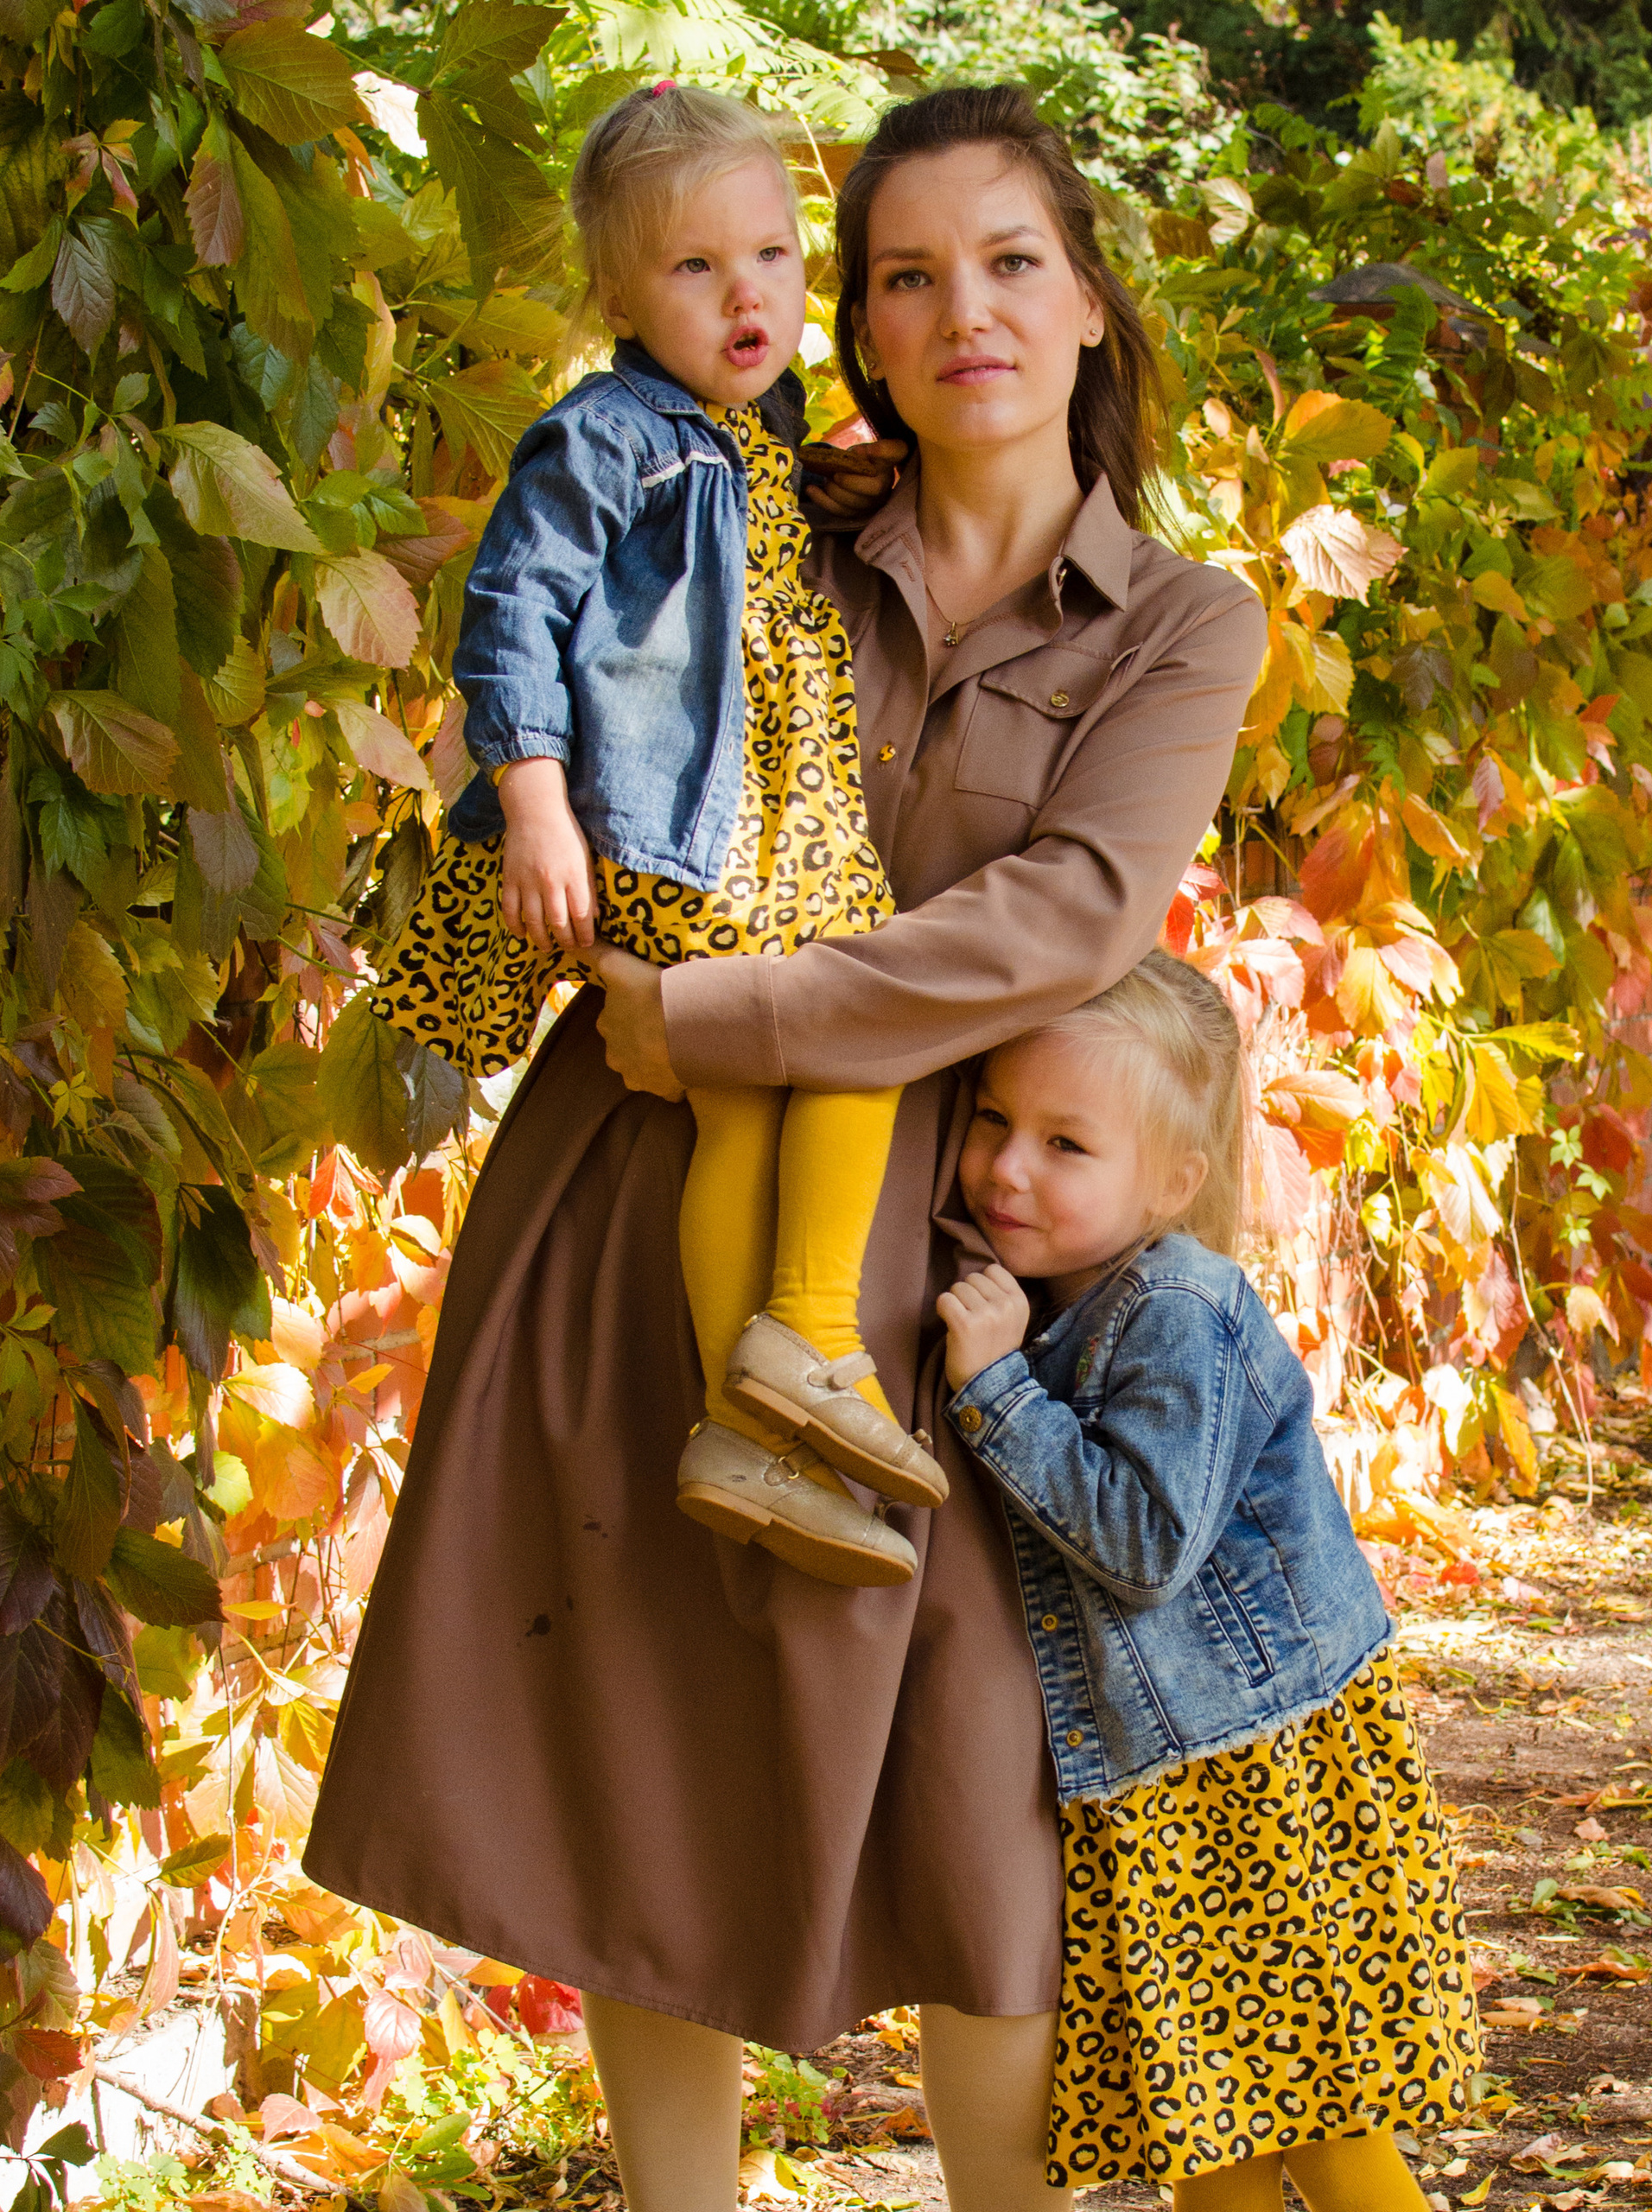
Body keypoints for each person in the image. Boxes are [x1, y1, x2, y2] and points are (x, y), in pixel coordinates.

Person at [305, 84, 1268, 2212]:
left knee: (975, 1789)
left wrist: (718, 1003)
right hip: (642, 1192)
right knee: (652, 1764)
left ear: (1090, 299)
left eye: (1008, 261)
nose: (961, 313)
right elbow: (546, 705)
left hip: (957, 1253)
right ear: (858, 321)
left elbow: (1065, 916)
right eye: (904, 275)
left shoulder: (1179, 622)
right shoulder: (741, 499)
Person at [368, 81, 941, 1584]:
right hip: (683, 831)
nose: (745, 293)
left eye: (770, 256)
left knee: (746, 1098)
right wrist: (537, 805)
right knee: (857, 1027)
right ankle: (808, 1336)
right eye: (695, 268)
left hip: (757, 831)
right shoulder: (610, 433)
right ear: (621, 294)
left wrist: (830, 484)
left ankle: (737, 1425)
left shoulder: (748, 432)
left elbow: (741, 557)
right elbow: (512, 613)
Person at [935, 951, 1482, 2210]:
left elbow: (1143, 1544)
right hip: (1165, 1789)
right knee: (1217, 2130)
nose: (1010, 1167)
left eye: (1068, 1145)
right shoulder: (1061, 1294)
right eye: (994, 1121)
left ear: (1174, 1180)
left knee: (1324, 2126)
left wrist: (997, 1392)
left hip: (1254, 1777)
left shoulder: (1183, 1308)